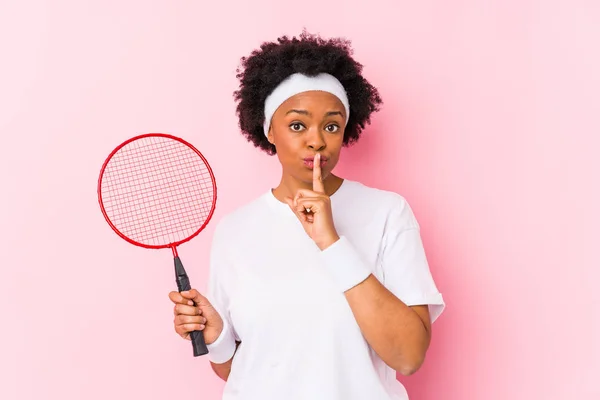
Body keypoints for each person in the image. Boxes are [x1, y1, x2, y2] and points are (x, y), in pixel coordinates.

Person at [168, 31, 445, 400]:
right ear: (269, 130)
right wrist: (217, 337)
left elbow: (408, 356)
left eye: (331, 126)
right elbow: (245, 371)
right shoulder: (235, 231)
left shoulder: (387, 213)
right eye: (297, 125)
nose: (316, 140)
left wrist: (330, 242)